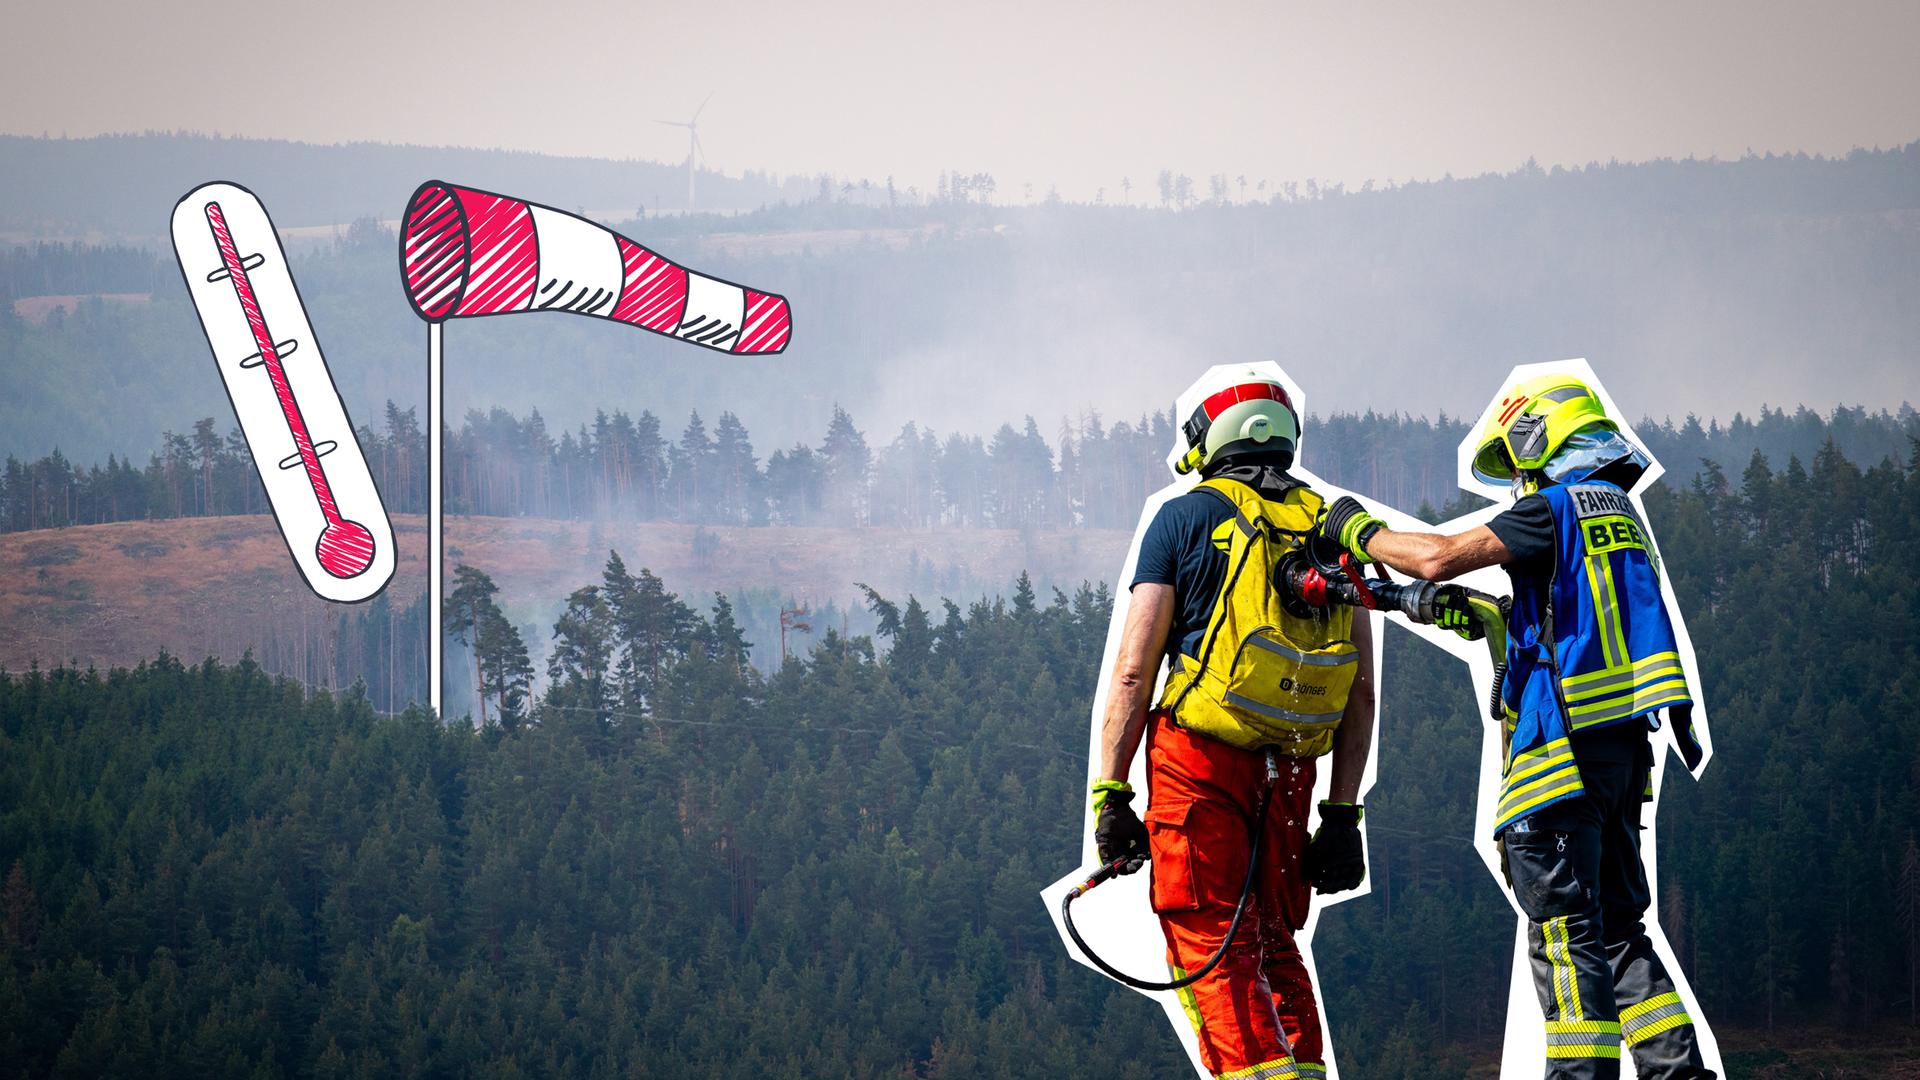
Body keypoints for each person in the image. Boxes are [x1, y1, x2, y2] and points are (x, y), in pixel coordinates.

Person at [1316, 372, 1712, 1080]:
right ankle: (1677, 1072)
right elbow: (1579, 625)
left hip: (1560, 760)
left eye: (1521, 461)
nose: (1520, 480)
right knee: (1621, 931)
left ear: (1540, 440)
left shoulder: (1551, 509)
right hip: (1624, 753)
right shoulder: (1617, 510)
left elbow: (1437, 556)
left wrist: (1358, 530)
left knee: (1565, 936)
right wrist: (1492, 620)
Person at [1093, 372, 1376, 1080]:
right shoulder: (1330, 524)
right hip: (1293, 771)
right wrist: (1342, 814)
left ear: (1211, 439)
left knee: (1211, 945)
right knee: (1274, 944)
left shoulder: (1184, 518)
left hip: (1200, 765)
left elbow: (1133, 670)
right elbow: (1360, 691)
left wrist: (1111, 797)